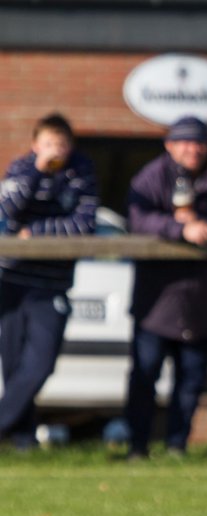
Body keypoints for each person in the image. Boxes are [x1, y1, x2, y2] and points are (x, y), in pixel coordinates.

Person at [126, 116, 207, 459]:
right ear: (169, 145)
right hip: (158, 300)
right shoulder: (152, 177)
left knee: (191, 381)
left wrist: (205, 226)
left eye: (198, 142)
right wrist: (177, 229)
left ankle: (176, 446)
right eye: (184, 141)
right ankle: (137, 447)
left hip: (203, 300)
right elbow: (137, 219)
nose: (192, 148)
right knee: (145, 375)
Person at [0, 113, 98, 449]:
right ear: (35, 145)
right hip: (11, 280)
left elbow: (84, 224)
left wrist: (34, 233)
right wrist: (37, 171)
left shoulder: (81, 175)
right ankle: (23, 440)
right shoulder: (21, 169)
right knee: (13, 365)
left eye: (61, 143)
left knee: (40, 364)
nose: (56, 149)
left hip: (52, 284)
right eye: (48, 143)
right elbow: (5, 211)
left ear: (71, 146)